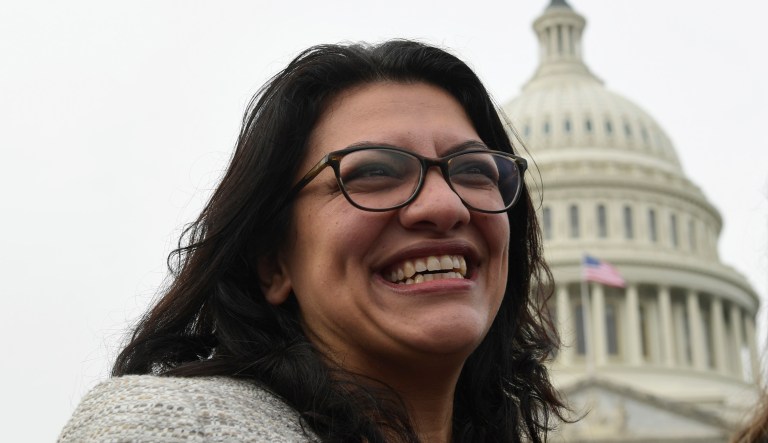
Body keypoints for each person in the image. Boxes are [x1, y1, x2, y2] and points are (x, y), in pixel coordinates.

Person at [59, 40, 567, 443]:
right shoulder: (169, 428)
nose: (445, 206)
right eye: (372, 172)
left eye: (474, 170)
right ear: (272, 263)